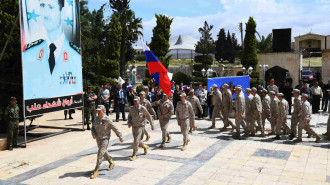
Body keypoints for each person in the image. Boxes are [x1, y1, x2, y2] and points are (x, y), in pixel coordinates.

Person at [22, 0, 82, 100]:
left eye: (50, 7)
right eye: (42, 6)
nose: (45, 13)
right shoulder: (29, 53)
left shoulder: (75, 54)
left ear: (62, 12)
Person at [90, 105, 124, 179]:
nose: (98, 112)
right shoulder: (95, 118)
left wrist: (120, 136)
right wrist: (93, 134)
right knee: (103, 151)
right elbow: (92, 128)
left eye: (100, 110)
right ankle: (111, 162)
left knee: (100, 153)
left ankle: (96, 170)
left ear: (104, 110)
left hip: (105, 138)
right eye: (97, 111)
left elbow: (114, 128)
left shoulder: (107, 119)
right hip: (98, 138)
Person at [128, 97, 154, 161]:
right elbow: (129, 116)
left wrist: (152, 124)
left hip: (140, 126)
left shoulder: (142, 108)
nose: (135, 102)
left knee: (136, 140)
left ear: (139, 101)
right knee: (137, 141)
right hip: (134, 126)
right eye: (134, 101)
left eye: (136, 101)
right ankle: (145, 147)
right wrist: (129, 122)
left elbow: (148, 116)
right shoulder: (131, 108)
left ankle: (134, 154)